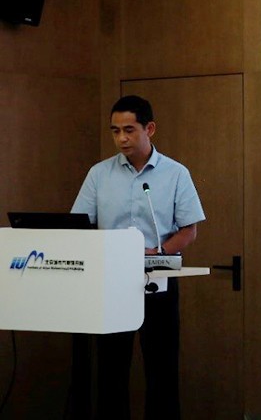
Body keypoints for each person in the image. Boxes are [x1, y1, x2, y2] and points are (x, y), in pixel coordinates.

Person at [71, 95, 205, 419]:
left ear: (150, 129)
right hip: (111, 283)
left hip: (157, 281)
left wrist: (159, 252)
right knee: (111, 370)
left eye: (129, 130)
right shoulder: (99, 174)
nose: (122, 138)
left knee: (162, 370)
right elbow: (79, 224)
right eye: (115, 131)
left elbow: (189, 230)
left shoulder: (175, 173)